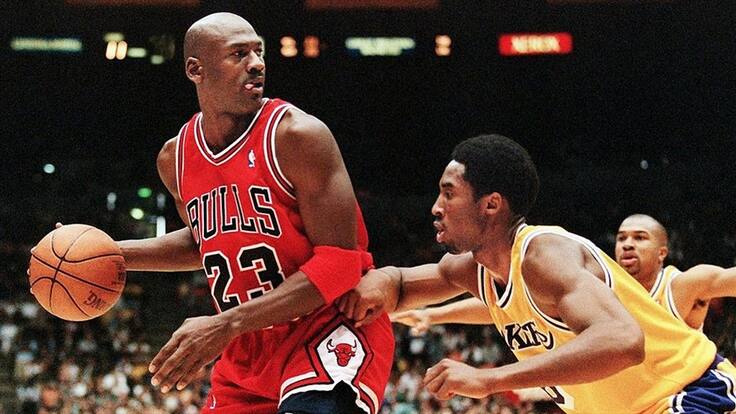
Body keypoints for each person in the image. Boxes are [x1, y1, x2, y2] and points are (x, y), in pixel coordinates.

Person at [91, 12, 393, 414]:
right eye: (238, 54)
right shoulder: (175, 158)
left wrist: (227, 322)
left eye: (258, 52)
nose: (257, 64)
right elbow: (207, 240)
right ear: (195, 70)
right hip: (249, 350)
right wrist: (111, 254)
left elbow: (342, 264)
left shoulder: (297, 136)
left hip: (329, 329)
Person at [338, 134, 736, 413]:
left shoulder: (544, 254)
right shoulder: (476, 269)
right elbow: (404, 285)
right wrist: (378, 282)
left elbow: (622, 341)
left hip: (689, 395)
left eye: (449, 193)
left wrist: (490, 379)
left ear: (491, 205)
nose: (436, 207)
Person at [393, 214, 736, 334]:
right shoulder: (597, 282)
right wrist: (433, 315)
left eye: (640, 238)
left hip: (687, 395)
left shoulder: (684, 285)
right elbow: (512, 305)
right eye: (621, 238)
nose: (628, 244)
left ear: (663, 252)